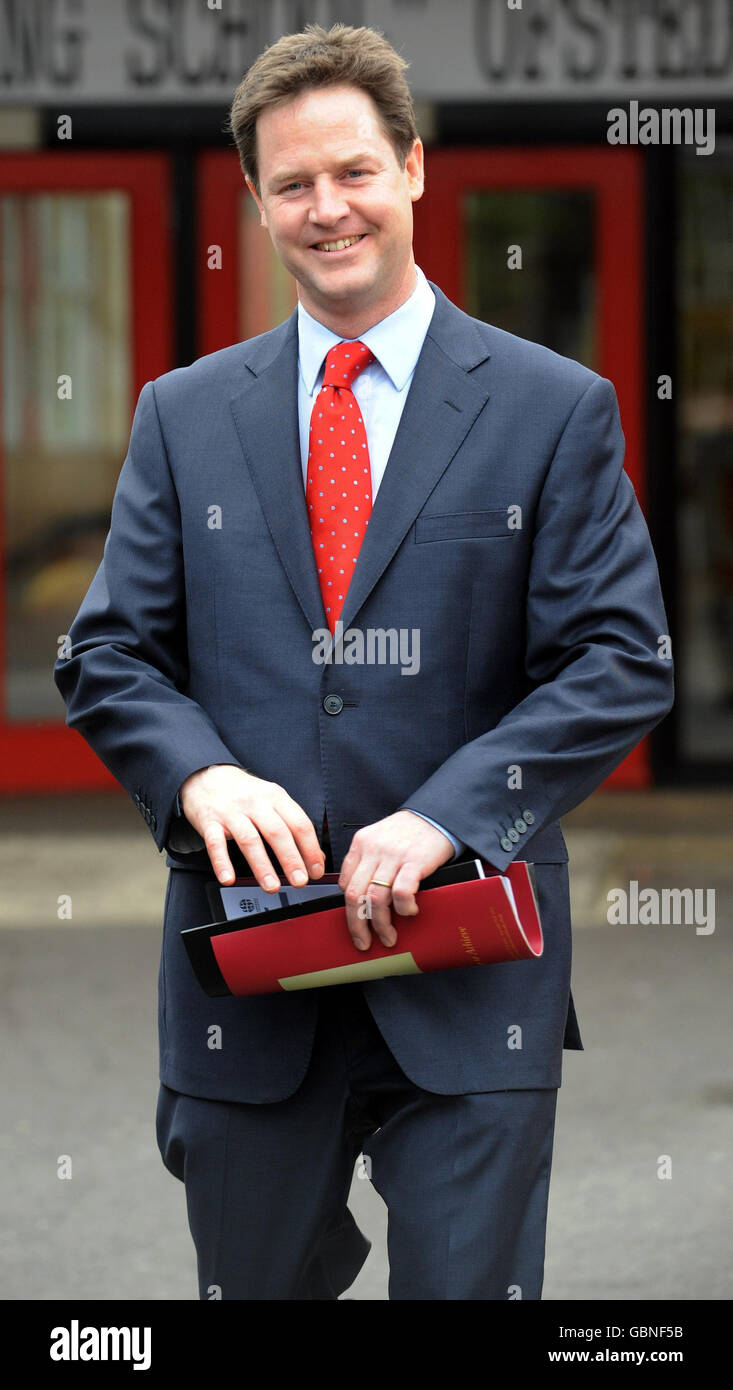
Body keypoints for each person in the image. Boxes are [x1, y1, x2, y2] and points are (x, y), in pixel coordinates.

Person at [53, 22, 674, 1300]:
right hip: (251, 970)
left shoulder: (551, 407)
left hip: (466, 964)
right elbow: (108, 650)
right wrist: (199, 778)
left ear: (413, 171)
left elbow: (618, 656)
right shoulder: (183, 415)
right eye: (292, 184)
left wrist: (450, 815)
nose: (326, 208)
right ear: (257, 202)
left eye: (352, 171)